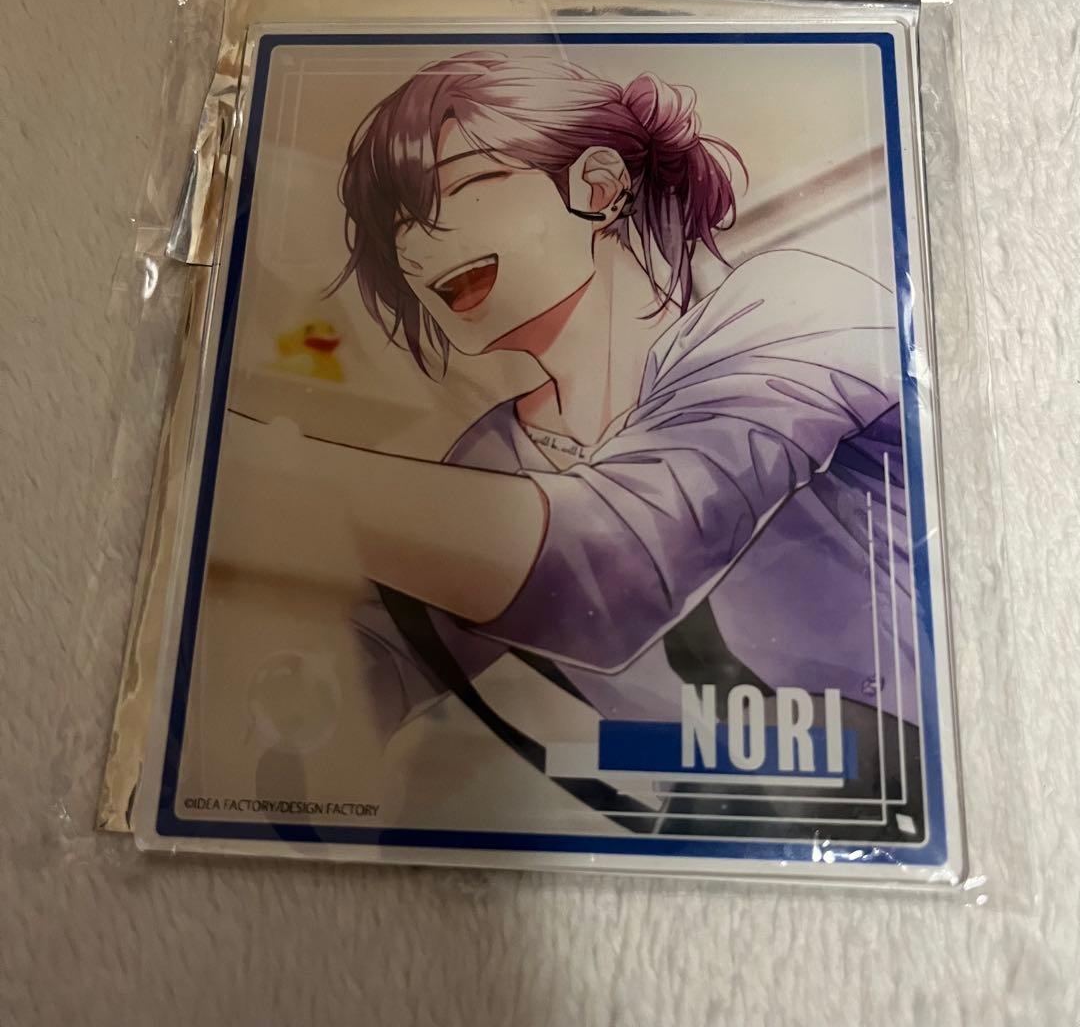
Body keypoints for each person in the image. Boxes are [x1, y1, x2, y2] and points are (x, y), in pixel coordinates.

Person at [224, 51, 919, 834]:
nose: (417, 249)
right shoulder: (493, 457)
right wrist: (312, 693)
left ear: (596, 184)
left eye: (458, 186)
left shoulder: (794, 306)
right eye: (398, 229)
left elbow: (616, 557)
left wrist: (260, 467)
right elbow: (400, 647)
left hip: (904, 790)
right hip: (700, 839)